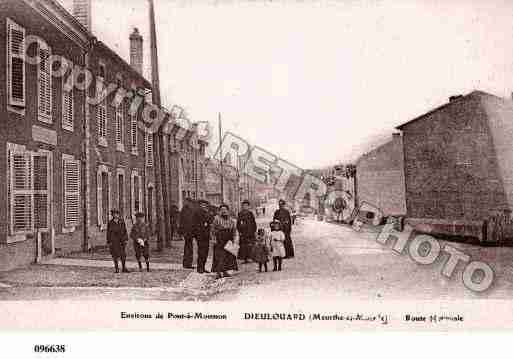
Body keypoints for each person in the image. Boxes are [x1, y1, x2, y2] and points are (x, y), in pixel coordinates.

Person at [211, 204, 239, 279]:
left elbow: (234, 230)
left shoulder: (231, 220)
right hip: (220, 239)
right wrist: (214, 239)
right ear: (219, 211)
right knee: (219, 256)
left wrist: (234, 239)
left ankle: (225, 271)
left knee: (228, 256)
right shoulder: (216, 219)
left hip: (228, 239)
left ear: (228, 211)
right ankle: (218, 272)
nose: (223, 211)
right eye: (222, 210)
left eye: (225, 210)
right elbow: (213, 230)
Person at [106, 209, 129, 273]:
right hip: (114, 241)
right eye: (114, 214)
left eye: (116, 214)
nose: (115, 215)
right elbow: (108, 233)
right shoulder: (110, 223)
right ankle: (116, 268)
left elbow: (125, 231)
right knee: (115, 255)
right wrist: (109, 241)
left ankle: (124, 268)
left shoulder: (121, 222)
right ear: (112, 215)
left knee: (123, 255)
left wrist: (126, 239)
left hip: (121, 241)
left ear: (118, 215)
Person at [193, 199, 212, 274]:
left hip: (206, 235)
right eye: (202, 205)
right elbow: (194, 224)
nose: (203, 206)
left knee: (206, 251)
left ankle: (203, 267)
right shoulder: (196, 213)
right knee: (201, 251)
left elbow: (210, 221)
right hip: (200, 235)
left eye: (205, 205)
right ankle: (200, 268)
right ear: (199, 205)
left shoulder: (207, 213)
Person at [179, 198, 196, 269]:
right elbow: (181, 221)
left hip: (190, 231)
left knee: (189, 247)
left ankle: (187, 263)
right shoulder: (185, 210)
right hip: (187, 231)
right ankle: (187, 264)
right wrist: (182, 232)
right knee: (188, 247)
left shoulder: (189, 210)